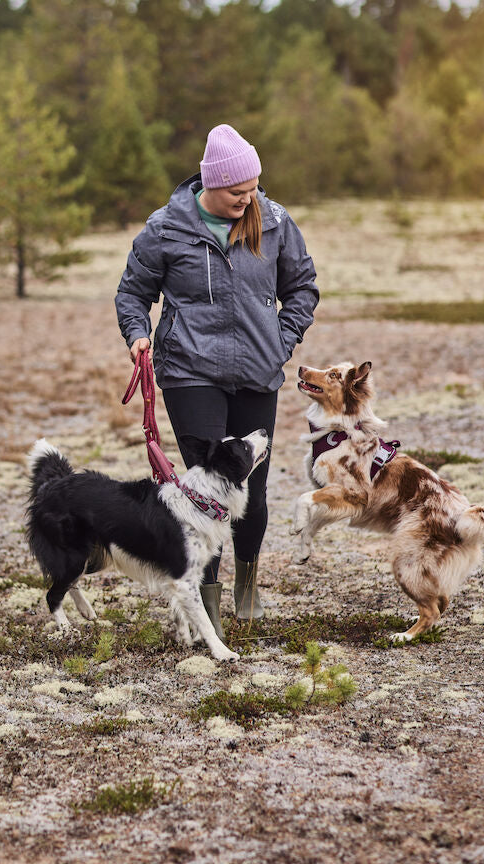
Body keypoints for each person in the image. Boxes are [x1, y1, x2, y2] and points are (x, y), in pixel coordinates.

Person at [115, 124, 319, 638]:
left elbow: (302, 287)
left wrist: (282, 338)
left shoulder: (273, 222)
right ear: (211, 183)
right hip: (190, 372)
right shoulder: (166, 228)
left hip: (257, 371)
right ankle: (205, 600)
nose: (247, 200)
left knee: (253, 490)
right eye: (237, 192)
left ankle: (246, 585)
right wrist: (137, 334)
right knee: (204, 490)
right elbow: (132, 293)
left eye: (253, 189)